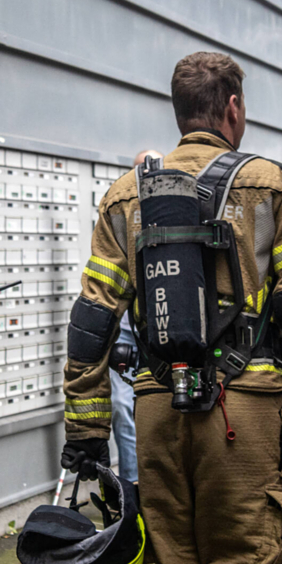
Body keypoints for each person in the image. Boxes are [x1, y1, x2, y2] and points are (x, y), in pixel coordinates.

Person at [60, 52, 282, 564]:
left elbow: (92, 319)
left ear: (179, 113)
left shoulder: (125, 196)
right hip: (241, 415)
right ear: (232, 106)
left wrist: (86, 428)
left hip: (157, 411)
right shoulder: (275, 187)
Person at [107, 149, 164, 484]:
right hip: (125, 332)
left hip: (159, 330)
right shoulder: (119, 212)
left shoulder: (176, 210)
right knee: (120, 406)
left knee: (159, 407)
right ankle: (132, 488)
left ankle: (160, 485)